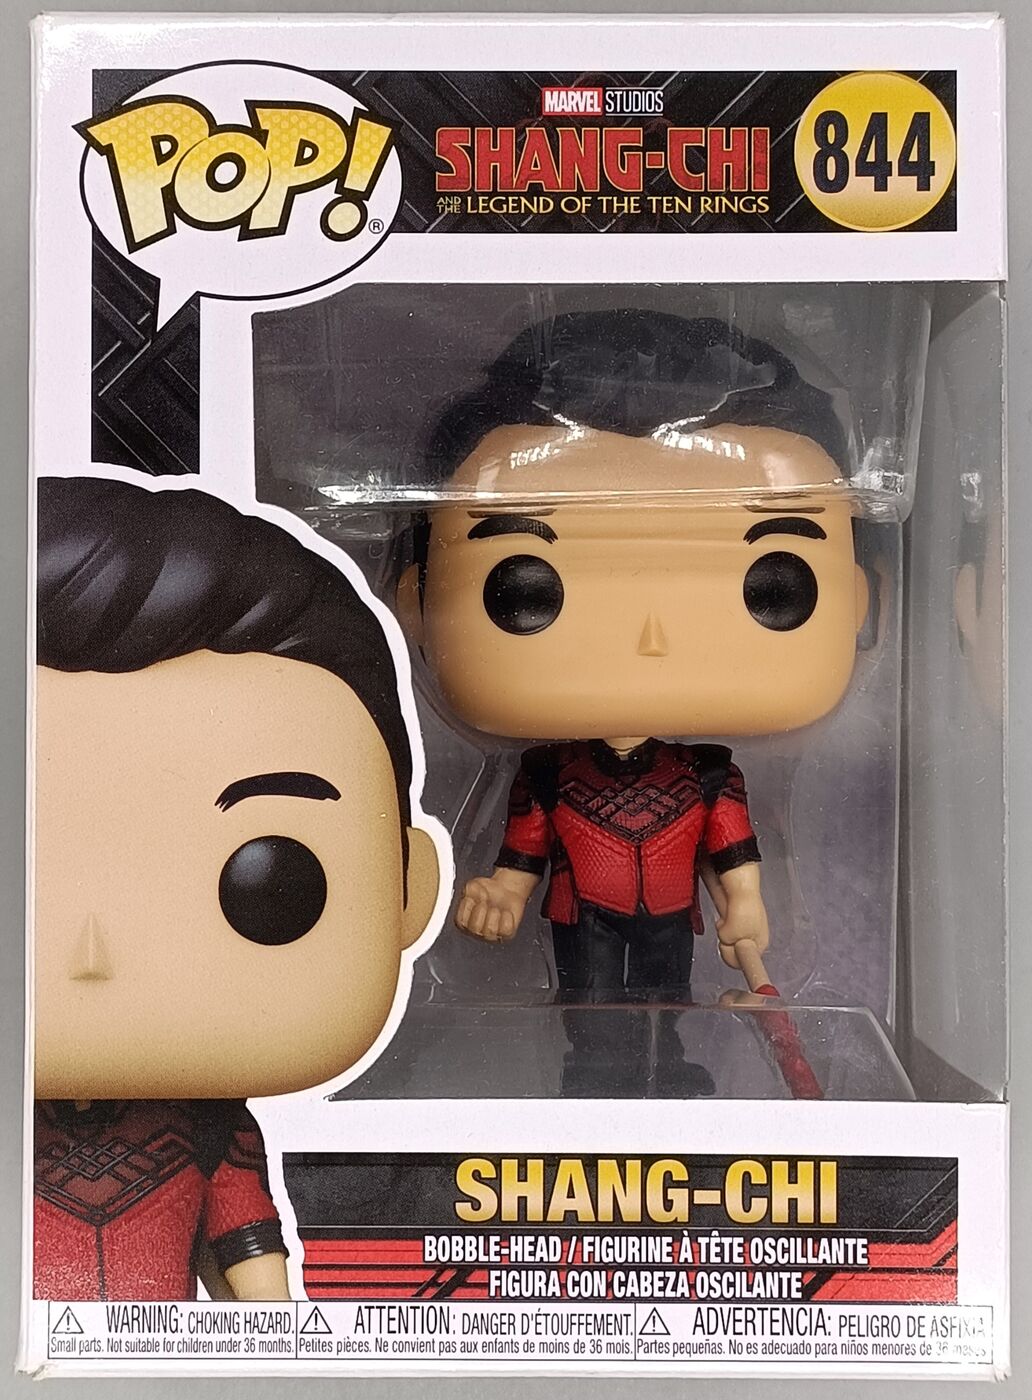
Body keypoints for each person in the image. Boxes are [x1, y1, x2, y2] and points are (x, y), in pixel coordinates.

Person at [398, 310, 868, 1095]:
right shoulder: (550, 775)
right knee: (588, 1002)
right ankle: (594, 1074)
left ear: (860, 599)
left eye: (773, 587)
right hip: (582, 909)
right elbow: (525, 847)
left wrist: (746, 904)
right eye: (525, 589)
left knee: (664, 992)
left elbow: (731, 848)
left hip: (669, 912)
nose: (652, 637)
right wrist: (504, 892)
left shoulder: (707, 773)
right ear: (416, 603)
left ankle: (663, 1068)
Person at [33, 475, 440, 1299]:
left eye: (271, 880)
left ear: (409, 888)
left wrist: (274, 1339)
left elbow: (249, 1245)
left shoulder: (213, 1131)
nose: (90, 950)